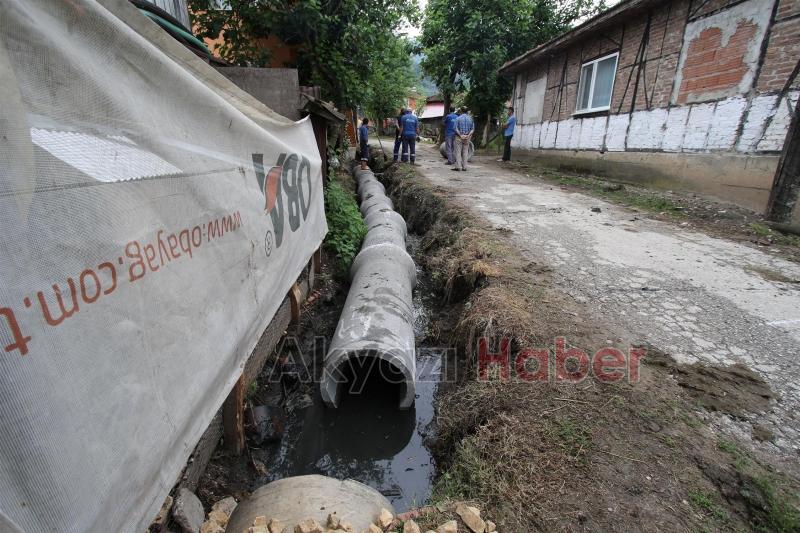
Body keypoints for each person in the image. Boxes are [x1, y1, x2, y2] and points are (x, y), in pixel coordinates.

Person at [453, 107, 474, 171]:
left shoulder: (458, 118)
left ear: (461, 111)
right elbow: (472, 129)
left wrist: (460, 135)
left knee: (458, 152)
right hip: (467, 137)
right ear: (467, 111)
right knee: (465, 152)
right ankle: (464, 167)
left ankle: (458, 167)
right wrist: (468, 135)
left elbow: (455, 128)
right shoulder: (470, 119)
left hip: (459, 137)